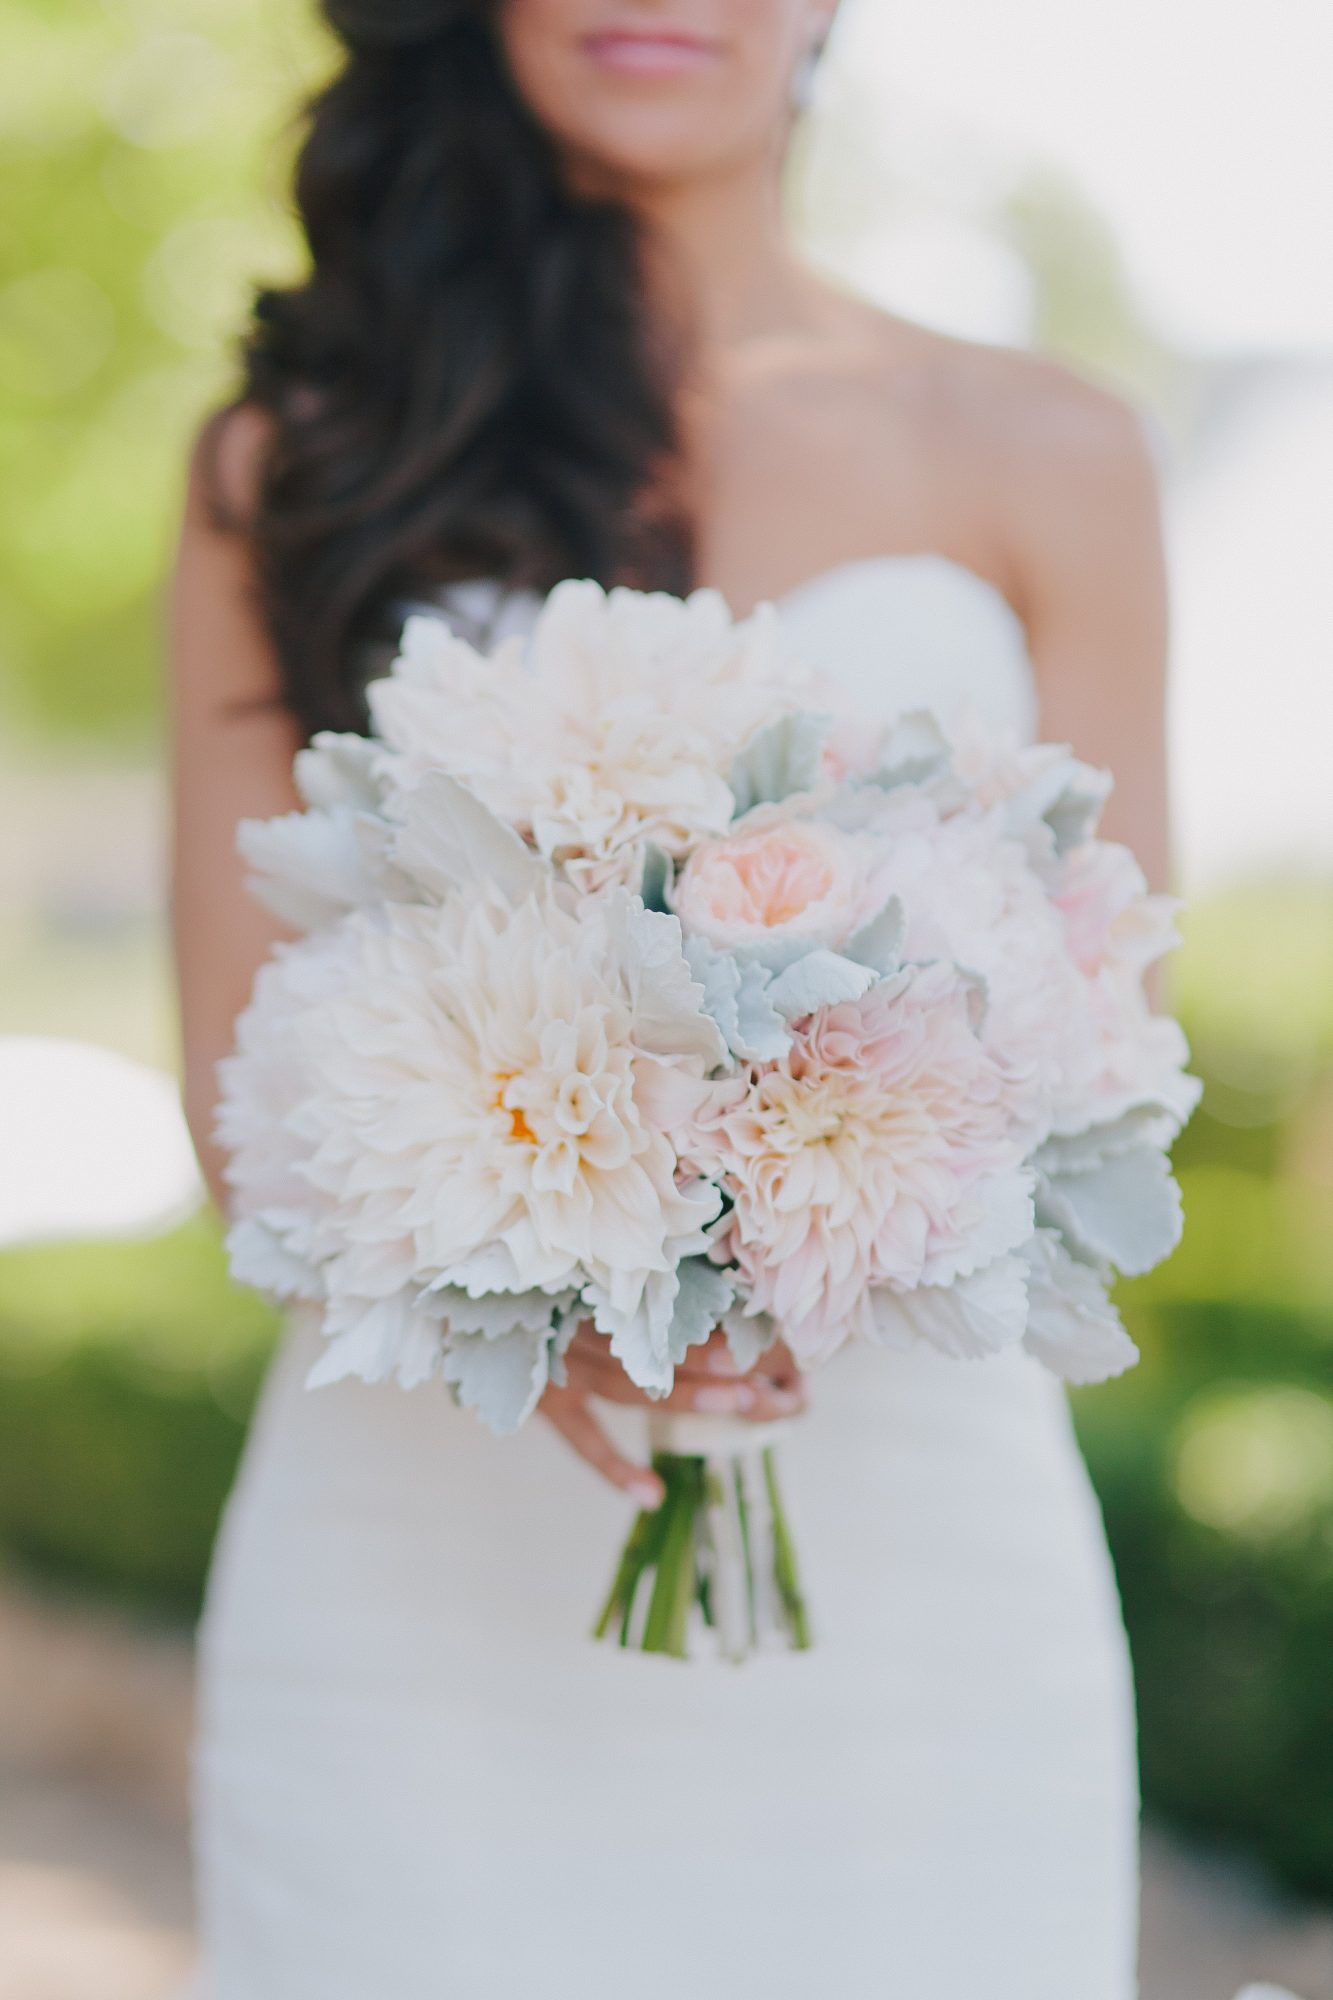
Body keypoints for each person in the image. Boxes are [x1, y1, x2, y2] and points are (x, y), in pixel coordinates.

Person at [172, 5, 1172, 1995]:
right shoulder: (305, 456)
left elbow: (1103, 1021)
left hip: (918, 1582)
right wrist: (539, 1280)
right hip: (410, 1584)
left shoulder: (1049, 449)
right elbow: (240, 1079)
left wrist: (793, 1190)